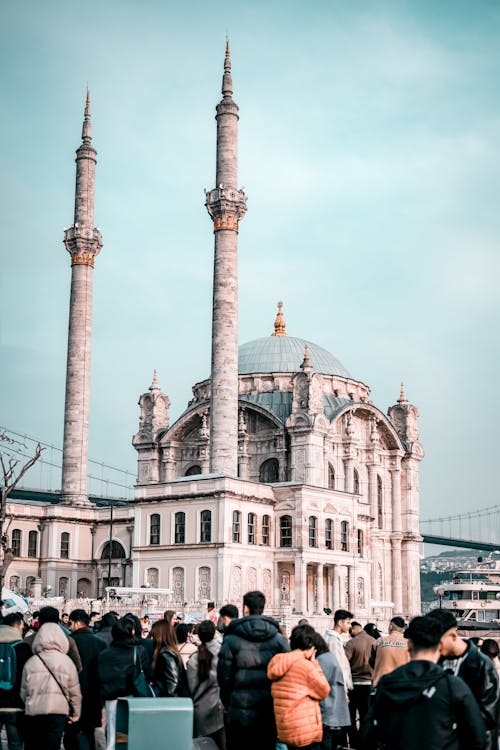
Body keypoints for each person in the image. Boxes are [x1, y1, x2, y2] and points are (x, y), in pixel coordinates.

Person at [360, 615, 486, 750]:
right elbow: (478, 736)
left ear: (409, 645)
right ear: (440, 646)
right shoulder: (453, 686)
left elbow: (369, 733)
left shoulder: (387, 683)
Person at [217, 590, 289, 750]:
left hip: (239, 709)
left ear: (245, 608)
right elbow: (288, 673)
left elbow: (223, 677)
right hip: (268, 709)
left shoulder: (231, 639)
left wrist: (230, 701)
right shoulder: (278, 640)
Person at [426, 609, 499, 750]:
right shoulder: (437, 660)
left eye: (438, 642)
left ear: (453, 635)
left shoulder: (482, 665)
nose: (435, 647)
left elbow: (489, 715)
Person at [267, 624, 330, 750]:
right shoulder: (305, 666)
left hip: (286, 728)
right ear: (310, 645)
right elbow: (324, 690)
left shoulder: (278, 661)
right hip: (304, 729)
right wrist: (314, 664)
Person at [21, 622, 82, 750]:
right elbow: (75, 692)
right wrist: (75, 714)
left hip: (34, 711)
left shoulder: (31, 662)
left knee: (35, 745)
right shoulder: (67, 662)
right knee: (53, 745)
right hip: (58, 711)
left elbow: (23, 692)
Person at [97, 616, 152, 750]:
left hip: (111, 702)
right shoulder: (138, 651)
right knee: (135, 736)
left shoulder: (104, 654)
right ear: (132, 632)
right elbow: (149, 675)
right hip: (133, 699)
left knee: (113, 737)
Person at [65, 609, 106, 750]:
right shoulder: (100, 643)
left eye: (70, 623)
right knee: (89, 733)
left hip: (72, 694)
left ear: (76, 623)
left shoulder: (69, 642)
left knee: (71, 734)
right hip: (94, 694)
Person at [187, 620, 225, 750]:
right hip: (219, 710)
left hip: (200, 712)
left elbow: (191, 688)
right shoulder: (223, 653)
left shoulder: (193, 659)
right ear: (214, 633)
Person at [312, 630, 350, 750]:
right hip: (334, 712)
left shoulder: (323, 660)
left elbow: (319, 687)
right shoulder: (328, 657)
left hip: (329, 714)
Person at [0, 612, 32, 750]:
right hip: (16, 704)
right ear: (18, 626)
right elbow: (29, 677)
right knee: (15, 743)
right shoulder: (23, 647)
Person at [344, 621, 377, 746]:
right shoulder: (374, 641)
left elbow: (345, 663)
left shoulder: (351, 643)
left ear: (353, 630)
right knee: (365, 716)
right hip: (368, 684)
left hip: (354, 683)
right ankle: (365, 743)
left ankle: (353, 742)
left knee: (351, 716)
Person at [24, 606, 82, 673]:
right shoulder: (68, 640)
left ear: (40, 620)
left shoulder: (28, 641)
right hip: (61, 681)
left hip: (36, 681)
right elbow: (77, 667)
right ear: (57, 621)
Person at [150, 619, 189, 697]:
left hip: (169, 701)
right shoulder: (170, 651)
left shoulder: (166, 653)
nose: (152, 637)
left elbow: (173, 683)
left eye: (154, 634)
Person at [371, 616, 409, 686]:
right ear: (403, 629)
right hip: (403, 683)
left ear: (390, 627)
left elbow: (371, 661)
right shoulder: (409, 644)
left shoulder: (379, 641)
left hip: (382, 683)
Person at [323, 610, 353, 695]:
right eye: (348, 623)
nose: (350, 626)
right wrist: (344, 690)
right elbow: (338, 665)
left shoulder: (331, 638)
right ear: (340, 623)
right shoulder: (333, 641)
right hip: (336, 686)